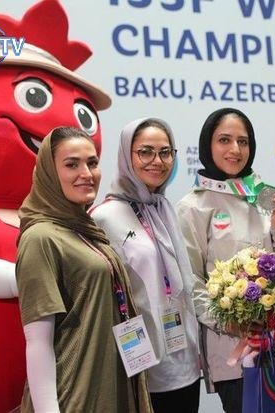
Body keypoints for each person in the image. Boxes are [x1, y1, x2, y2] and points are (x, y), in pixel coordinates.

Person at [176, 108, 275, 413]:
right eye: (224, 140)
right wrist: (230, 322)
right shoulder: (192, 207)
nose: (235, 149)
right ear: (207, 145)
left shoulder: (265, 196)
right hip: (235, 351)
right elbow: (191, 282)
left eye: (243, 141)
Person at [15, 126, 152, 413]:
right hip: (74, 395)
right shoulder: (40, 238)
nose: (86, 173)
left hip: (109, 384)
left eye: (92, 163)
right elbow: (38, 342)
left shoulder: (84, 228)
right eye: (71, 164)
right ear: (49, 173)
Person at [91, 118, 201, 413]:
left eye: (165, 152)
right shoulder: (103, 217)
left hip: (184, 359)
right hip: (140, 364)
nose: (157, 161)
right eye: (145, 152)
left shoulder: (165, 208)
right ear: (127, 156)